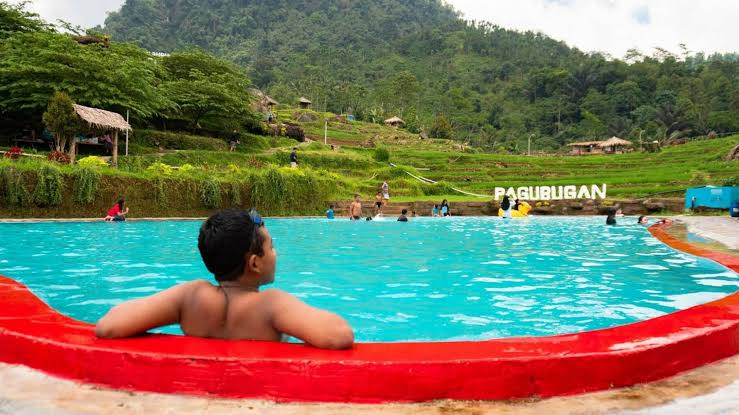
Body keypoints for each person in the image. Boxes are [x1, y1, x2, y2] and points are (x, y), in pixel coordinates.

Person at [95, 209, 354, 349]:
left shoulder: (191, 297)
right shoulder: (270, 305)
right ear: (254, 263)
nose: (276, 253)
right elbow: (338, 335)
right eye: (272, 247)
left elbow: (109, 326)